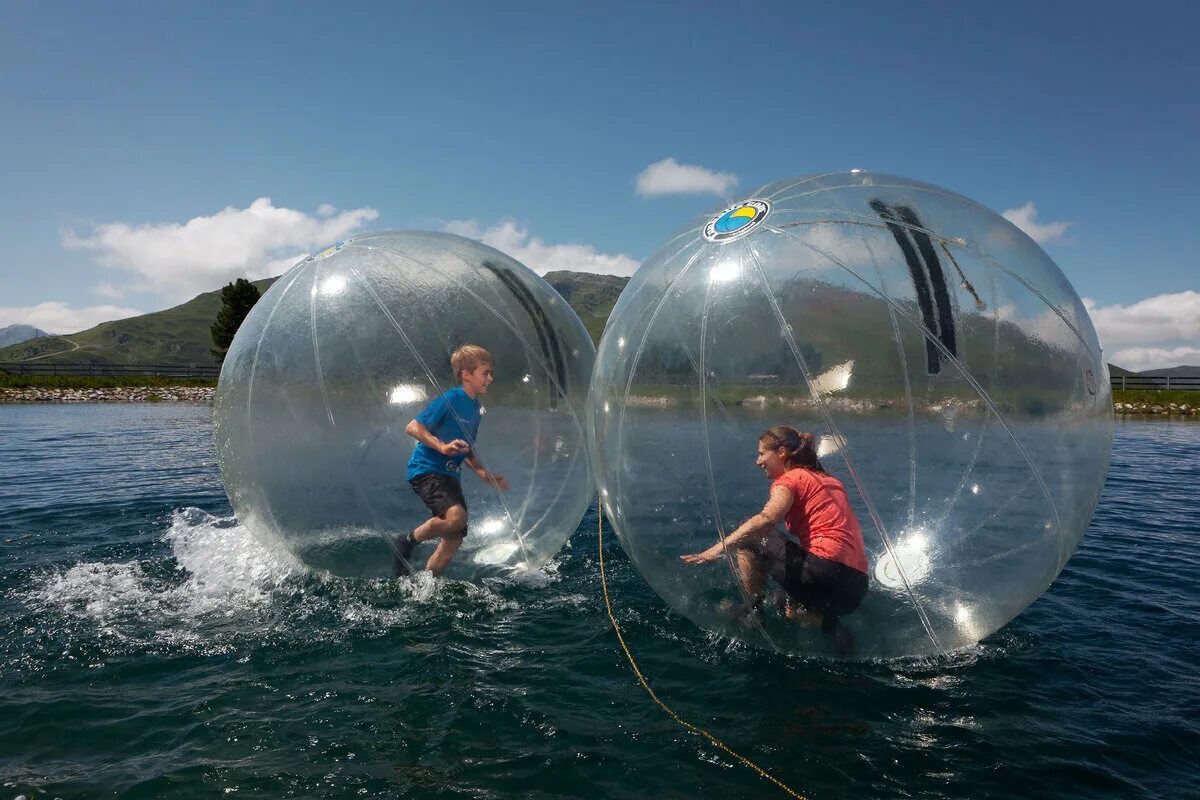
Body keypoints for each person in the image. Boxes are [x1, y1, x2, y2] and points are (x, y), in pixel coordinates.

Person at [680, 426, 869, 636]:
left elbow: (767, 519)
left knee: (750, 531)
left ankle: (752, 611)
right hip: (854, 590)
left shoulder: (791, 479)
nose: (758, 462)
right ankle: (836, 630)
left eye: (762, 454)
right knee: (785, 604)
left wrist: (716, 550)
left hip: (823, 574)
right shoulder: (830, 481)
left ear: (781, 453)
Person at [393, 344, 509, 577]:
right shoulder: (451, 399)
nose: (490, 379)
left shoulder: (475, 408)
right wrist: (442, 446)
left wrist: (481, 472)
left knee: (455, 537)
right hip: (427, 469)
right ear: (466, 375)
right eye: (485, 373)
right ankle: (406, 541)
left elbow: (466, 448)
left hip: (449, 475)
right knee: (456, 517)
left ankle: (427, 584)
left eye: (490, 374)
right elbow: (413, 427)